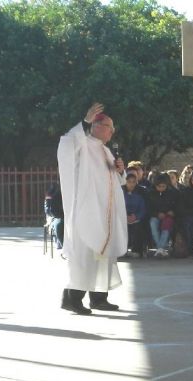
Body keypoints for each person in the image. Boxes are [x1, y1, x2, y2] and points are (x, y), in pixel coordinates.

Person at [56, 103, 127, 315]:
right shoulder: (83, 144)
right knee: (85, 254)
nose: (112, 131)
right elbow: (66, 144)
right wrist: (84, 121)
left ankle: (98, 297)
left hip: (104, 212)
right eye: (109, 126)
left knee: (101, 255)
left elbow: (115, 182)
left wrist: (119, 171)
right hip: (88, 211)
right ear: (96, 125)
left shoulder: (105, 150)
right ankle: (72, 298)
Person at [147, 174, 177, 256]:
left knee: (166, 226)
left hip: (167, 216)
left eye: (163, 186)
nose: (161, 188)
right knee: (153, 223)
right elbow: (148, 208)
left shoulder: (172, 193)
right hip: (155, 215)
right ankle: (161, 248)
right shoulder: (150, 193)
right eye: (159, 186)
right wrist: (157, 214)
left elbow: (175, 206)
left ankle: (159, 248)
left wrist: (170, 212)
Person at [123, 173, 147, 257]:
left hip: (136, 218)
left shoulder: (140, 195)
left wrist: (136, 217)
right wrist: (125, 216)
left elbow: (142, 209)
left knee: (138, 228)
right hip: (123, 218)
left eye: (133, 182)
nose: (131, 184)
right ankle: (122, 250)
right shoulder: (121, 194)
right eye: (129, 182)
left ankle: (136, 250)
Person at [44, 183, 64, 249]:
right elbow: (49, 211)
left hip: (62, 216)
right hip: (55, 217)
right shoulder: (51, 195)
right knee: (58, 224)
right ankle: (62, 245)